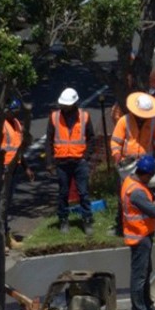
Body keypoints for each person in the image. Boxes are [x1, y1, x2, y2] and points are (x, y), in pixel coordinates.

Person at [120, 154, 155, 310]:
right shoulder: (137, 192)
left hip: (141, 234)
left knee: (145, 272)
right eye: (151, 175)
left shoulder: (131, 182)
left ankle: (147, 306)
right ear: (146, 174)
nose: (152, 179)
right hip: (140, 236)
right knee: (139, 276)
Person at [46, 87, 94, 235]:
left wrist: (86, 156)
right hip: (62, 162)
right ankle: (63, 220)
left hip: (79, 161)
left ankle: (87, 220)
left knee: (83, 193)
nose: (64, 107)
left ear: (74, 103)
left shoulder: (84, 116)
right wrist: (49, 162)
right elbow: (49, 140)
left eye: (67, 105)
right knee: (63, 193)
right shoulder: (54, 117)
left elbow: (91, 137)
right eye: (63, 105)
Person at [0, 99, 28, 249]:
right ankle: (1, 238)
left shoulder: (16, 123)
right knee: (2, 204)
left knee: (6, 203)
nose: (16, 113)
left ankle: (5, 237)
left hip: (14, 167)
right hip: (3, 168)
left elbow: (19, 148)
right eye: (13, 111)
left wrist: (26, 167)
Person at [109, 90, 155, 173]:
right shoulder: (124, 121)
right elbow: (116, 142)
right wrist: (117, 154)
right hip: (127, 163)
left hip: (147, 162)